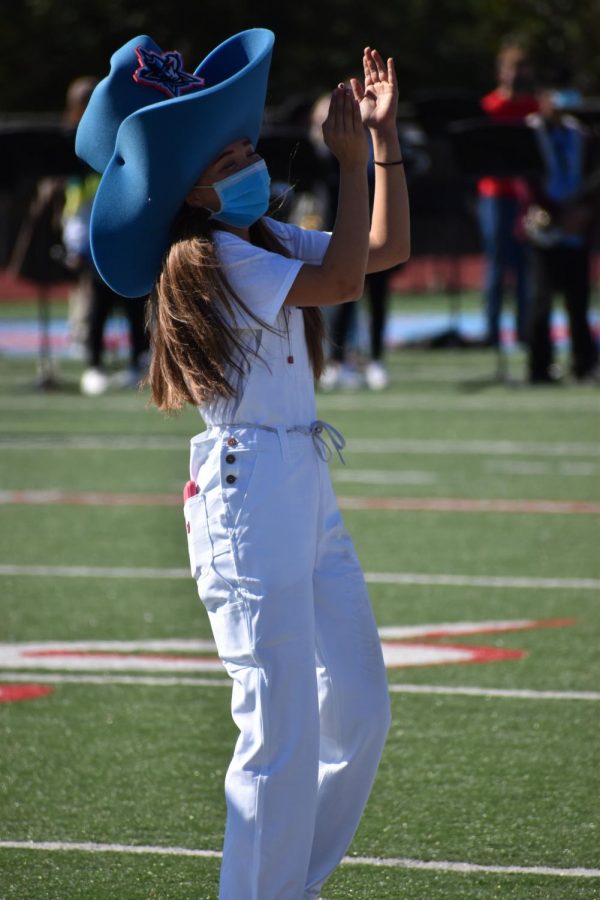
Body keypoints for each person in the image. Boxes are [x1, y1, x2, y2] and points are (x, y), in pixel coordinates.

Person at [75, 29, 409, 899]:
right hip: (249, 493)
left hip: (299, 483)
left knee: (361, 711)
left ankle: (283, 888)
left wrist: (382, 144)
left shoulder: (253, 238)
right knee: (280, 735)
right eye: (231, 156)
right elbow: (339, 284)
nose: (252, 161)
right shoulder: (211, 256)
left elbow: (379, 255)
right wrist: (345, 162)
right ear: (190, 186)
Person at [523, 84, 600, 383]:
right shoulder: (531, 130)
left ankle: (584, 364)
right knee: (541, 300)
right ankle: (540, 366)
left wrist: (582, 212)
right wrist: (553, 213)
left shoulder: (580, 133)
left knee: (578, 301)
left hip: (576, 225)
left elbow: (591, 175)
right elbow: (526, 178)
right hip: (544, 226)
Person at [478, 38, 539, 347]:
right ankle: (491, 331)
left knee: (527, 265)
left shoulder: (534, 107)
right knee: (496, 263)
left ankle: (524, 330)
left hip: (525, 198)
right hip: (495, 195)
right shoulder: (490, 106)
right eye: (512, 67)